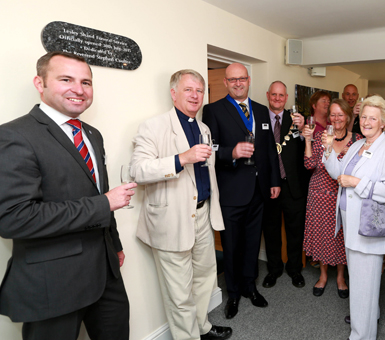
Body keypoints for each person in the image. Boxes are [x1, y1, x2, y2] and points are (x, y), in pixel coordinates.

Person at [0, 51, 136, 339]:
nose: (79, 89)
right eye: (66, 79)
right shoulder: (14, 135)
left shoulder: (92, 134)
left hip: (105, 271)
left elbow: (99, 191)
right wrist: (104, 204)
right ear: (40, 83)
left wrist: (115, 244)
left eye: (86, 82)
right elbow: (14, 219)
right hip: (53, 282)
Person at [131, 70, 232, 340]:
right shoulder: (152, 126)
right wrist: (181, 158)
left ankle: (202, 327)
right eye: (189, 90)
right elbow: (138, 170)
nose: (195, 96)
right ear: (174, 93)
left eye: (199, 91)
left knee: (205, 278)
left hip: (202, 215)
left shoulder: (203, 128)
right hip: (171, 219)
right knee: (179, 292)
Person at [202, 63, 281, 319]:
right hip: (231, 192)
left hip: (258, 191)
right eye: (232, 79)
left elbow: (269, 149)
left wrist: (274, 180)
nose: (238, 83)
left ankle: (250, 287)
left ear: (249, 80)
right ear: (225, 82)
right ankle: (233, 293)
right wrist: (231, 153)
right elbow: (208, 148)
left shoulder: (260, 109)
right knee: (232, 245)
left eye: (242, 79)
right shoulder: (213, 110)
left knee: (251, 243)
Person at [323, 95, 385, 340]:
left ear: (383, 122)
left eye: (373, 118)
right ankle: (370, 315)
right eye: (364, 116)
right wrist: (328, 150)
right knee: (361, 281)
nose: (366, 122)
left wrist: (356, 182)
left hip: (368, 226)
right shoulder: (358, 145)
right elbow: (338, 173)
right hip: (350, 222)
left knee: (363, 285)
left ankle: (361, 335)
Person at [302, 99, 360, 299]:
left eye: (340, 114)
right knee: (322, 235)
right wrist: (308, 140)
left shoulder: (358, 140)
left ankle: (341, 277)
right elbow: (309, 165)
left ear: (348, 117)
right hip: (320, 195)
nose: (336, 119)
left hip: (345, 195)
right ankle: (324, 275)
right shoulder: (320, 137)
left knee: (342, 236)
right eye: (332, 115)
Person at [261, 81, 308, 289]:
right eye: (274, 95)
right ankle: (274, 269)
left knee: (295, 230)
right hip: (269, 185)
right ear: (268, 95)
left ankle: (294, 269)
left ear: (287, 98)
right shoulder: (258, 118)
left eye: (281, 95)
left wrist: (303, 130)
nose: (278, 99)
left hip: (293, 186)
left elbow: (306, 150)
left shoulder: (297, 120)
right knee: (270, 230)